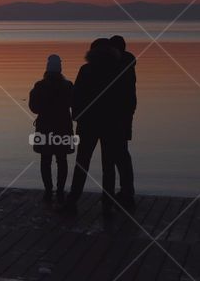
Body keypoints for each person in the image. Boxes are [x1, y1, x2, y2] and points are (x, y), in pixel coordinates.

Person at [63, 38, 122, 216]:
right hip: (110, 124)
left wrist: (77, 116)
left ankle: (73, 200)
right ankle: (108, 202)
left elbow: (76, 95)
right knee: (108, 165)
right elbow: (122, 99)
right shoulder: (116, 70)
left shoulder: (86, 70)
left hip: (88, 123)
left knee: (82, 163)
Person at [28, 54, 74, 205]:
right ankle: (60, 190)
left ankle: (48, 191)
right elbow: (75, 103)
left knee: (45, 159)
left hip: (45, 127)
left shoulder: (40, 86)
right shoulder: (68, 86)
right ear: (60, 69)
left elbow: (34, 108)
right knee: (62, 159)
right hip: (63, 127)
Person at [110, 35, 137, 209]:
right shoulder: (127, 66)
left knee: (119, 154)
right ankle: (126, 190)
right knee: (121, 154)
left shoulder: (120, 67)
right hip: (125, 115)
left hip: (118, 116)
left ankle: (125, 191)